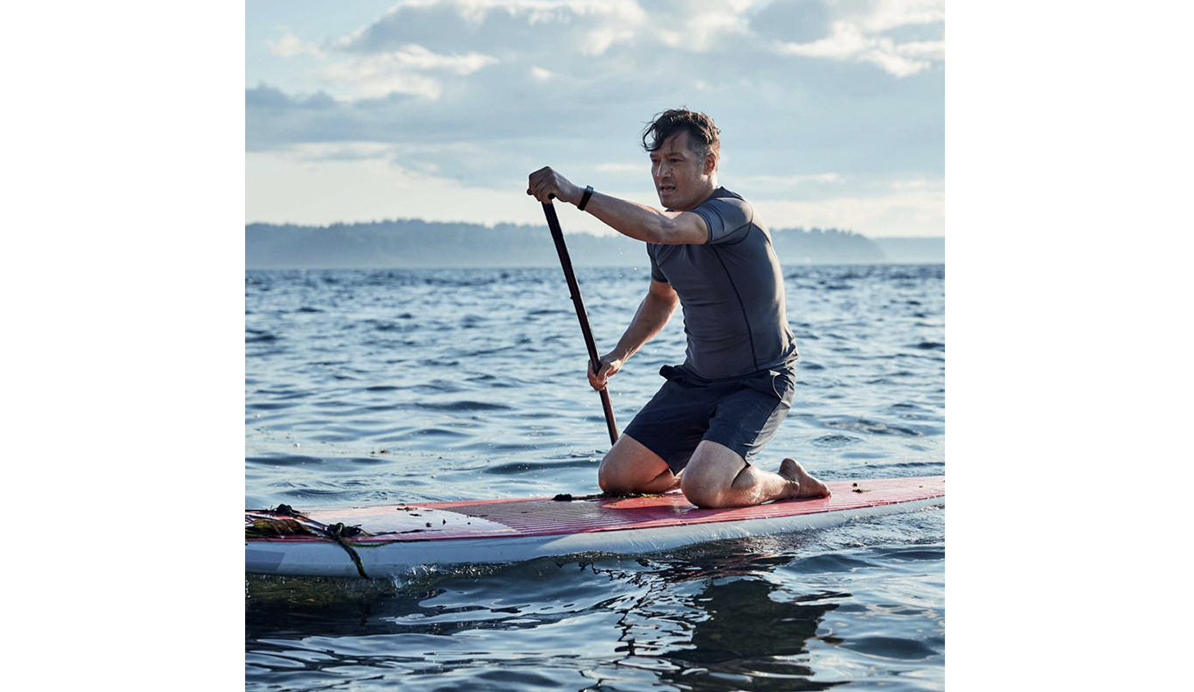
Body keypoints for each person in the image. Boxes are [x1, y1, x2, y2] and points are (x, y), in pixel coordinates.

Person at [526, 108, 830, 508]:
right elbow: (660, 299)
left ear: (709, 163)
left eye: (674, 161)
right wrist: (619, 355)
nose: (661, 174)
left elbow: (663, 228)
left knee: (703, 490)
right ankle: (715, 467)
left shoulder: (732, 213)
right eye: (655, 162)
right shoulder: (659, 231)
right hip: (698, 381)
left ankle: (787, 482)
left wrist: (576, 194)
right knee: (616, 478)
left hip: (759, 382)